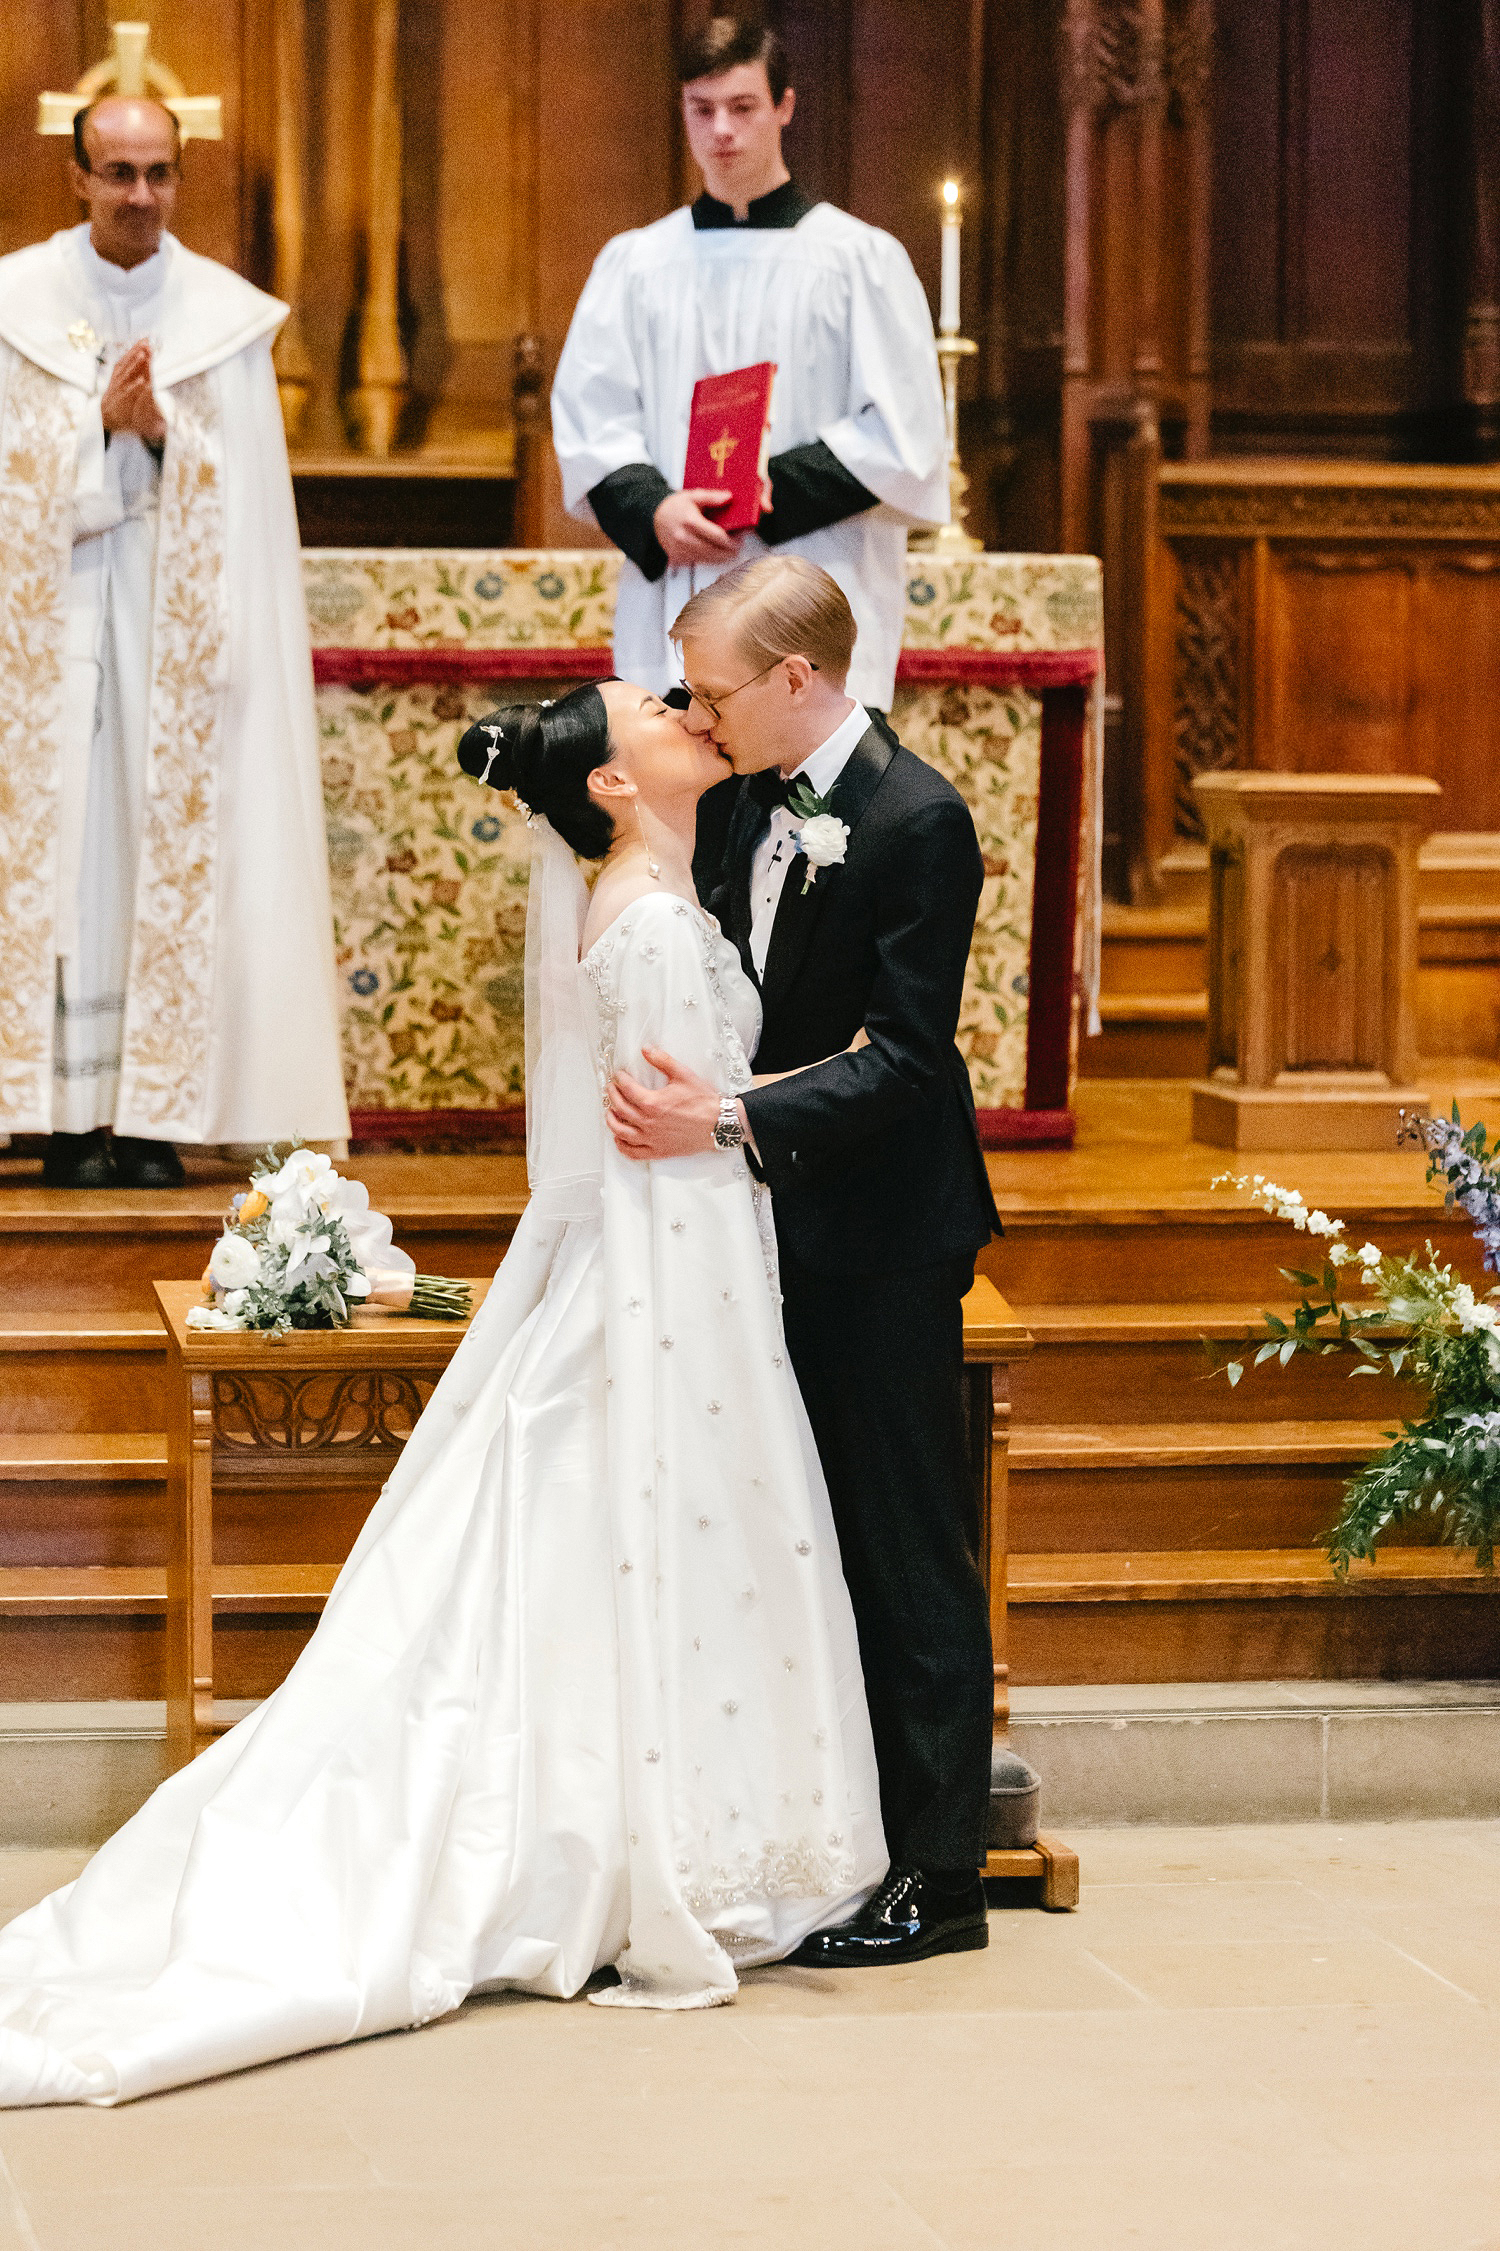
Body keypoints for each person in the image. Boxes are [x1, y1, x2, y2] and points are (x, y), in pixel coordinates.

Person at [0, 680, 885, 2107]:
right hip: (664, 1286)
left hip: (636, 1267)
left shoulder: (644, 894)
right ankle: (642, 1839)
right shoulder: (650, 916)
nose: (680, 704)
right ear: (609, 784)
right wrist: (722, 1340)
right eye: (650, 706)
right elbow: (674, 1164)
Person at [604, 556, 1002, 1967]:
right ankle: (845, 1833)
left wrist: (724, 1117)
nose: (697, 716)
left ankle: (942, 1875)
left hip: (883, 1231)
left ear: (797, 677)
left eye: (714, 691)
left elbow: (905, 1060)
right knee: (805, 1532)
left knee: (905, 1542)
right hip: (762, 1223)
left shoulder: (913, 817)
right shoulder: (752, 802)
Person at [0, 94, 347, 1188]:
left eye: (158, 173)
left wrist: (161, 438)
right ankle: (60, 1113)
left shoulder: (222, 321)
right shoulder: (17, 303)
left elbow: (242, 494)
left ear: (178, 178)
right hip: (47, 637)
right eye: (118, 173)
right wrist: (94, 427)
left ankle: (151, 1119)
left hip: (174, 643)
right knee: (67, 857)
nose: (140, 195)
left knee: (161, 845)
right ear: (79, 175)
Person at [550, 12, 948, 716]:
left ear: (784, 107)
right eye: (701, 111)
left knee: (812, 819)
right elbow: (593, 419)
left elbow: (904, 434)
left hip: (817, 582)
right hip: (680, 581)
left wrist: (767, 494)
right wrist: (655, 510)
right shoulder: (638, 264)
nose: (721, 132)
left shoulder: (859, 261)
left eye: (742, 108)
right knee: (683, 803)